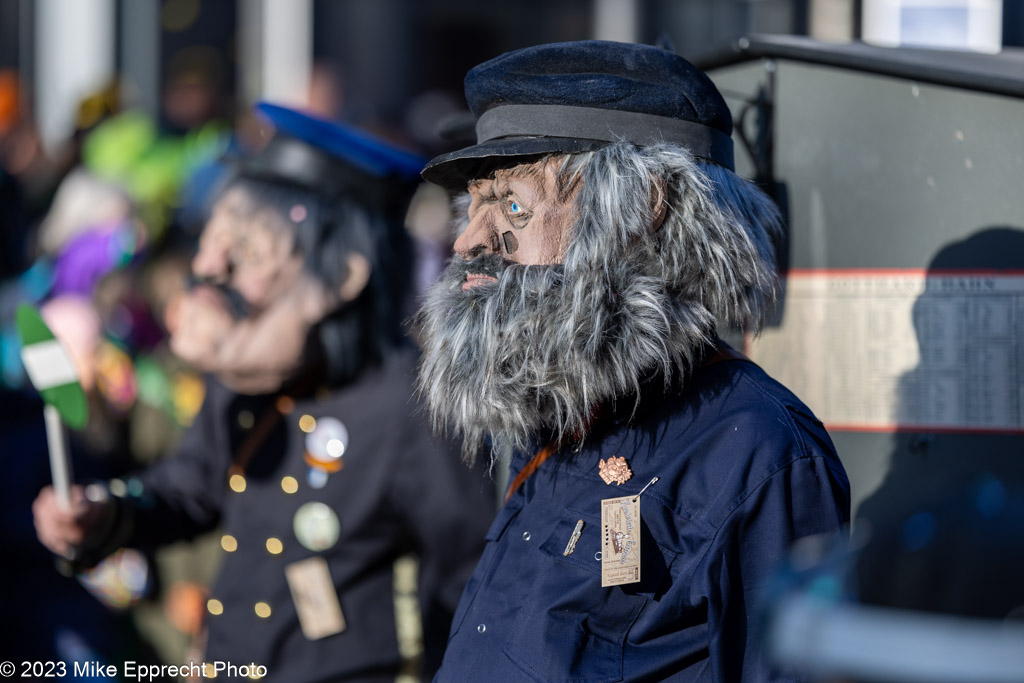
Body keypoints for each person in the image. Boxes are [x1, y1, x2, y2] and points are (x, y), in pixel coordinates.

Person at [414, 40, 851, 681]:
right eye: (476, 204)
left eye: (511, 204)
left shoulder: (762, 452)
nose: (468, 239)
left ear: (640, 211)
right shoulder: (556, 414)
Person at [33, 102, 495, 682]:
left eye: (246, 253)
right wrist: (106, 514)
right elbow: (191, 486)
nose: (208, 270)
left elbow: (471, 578)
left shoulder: (413, 405)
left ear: (345, 277)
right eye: (213, 244)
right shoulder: (248, 378)